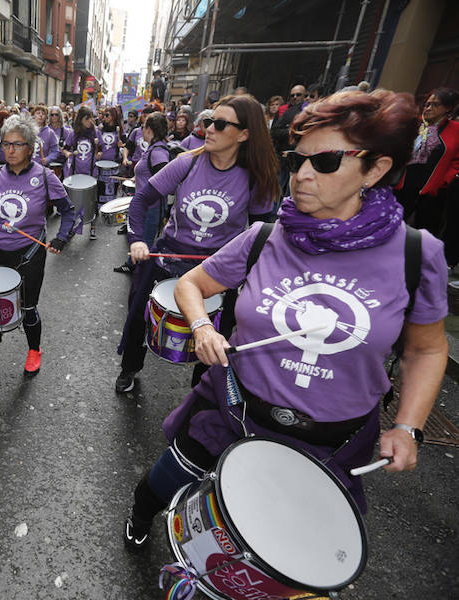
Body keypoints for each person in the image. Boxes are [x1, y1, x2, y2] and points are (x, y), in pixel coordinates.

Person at [122, 89, 448, 550]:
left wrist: (408, 426)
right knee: (161, 482)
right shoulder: (265, 238)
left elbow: (426, 348)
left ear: (375, 168)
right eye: (298, 161)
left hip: (330, 442)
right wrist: (202, 327)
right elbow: (191, 284)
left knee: (273, 547)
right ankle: (139, 520)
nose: (303, 175)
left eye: (327, 161)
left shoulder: (418, 254)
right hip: (234, 409)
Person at [115, 94, 279, 393]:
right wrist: (138, 240)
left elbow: (262, 232)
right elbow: (140, 202)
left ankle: (201, 390)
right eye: (208, 122)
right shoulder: (187, 163)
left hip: (218, 268)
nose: (209, 129)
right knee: (139, 312)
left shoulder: (256, 178)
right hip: (171, 255)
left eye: (219, 123)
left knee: (218, 331)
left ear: (244, 134)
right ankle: (129, 367)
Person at [0, 114, 76, 376]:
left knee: (27, 306)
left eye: (17, 144)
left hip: (29, 254)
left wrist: (61, 237)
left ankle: (34, 350)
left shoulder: (46, 176)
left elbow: (68, 211)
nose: (10, 150)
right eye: (6, 144)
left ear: (30, 147)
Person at [395, 88, 459, 239]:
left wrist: (446, 180)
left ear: (448, 108)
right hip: (403, 184)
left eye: (435, 105)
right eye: (427, 104)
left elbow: (457, 160)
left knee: (423, 235)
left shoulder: (456, 130)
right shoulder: (414, 124)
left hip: (433, 190)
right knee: (393, 226)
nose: (428, 108)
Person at [113, 112, 170, 274]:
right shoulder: (154, 148)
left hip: (151, 207)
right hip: (147, 205)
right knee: (141, 240)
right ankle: (132, 265)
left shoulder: (158, 151)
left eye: (144, 127)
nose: (141, 130)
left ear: (150, 130)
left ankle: (143, 277)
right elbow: (150, 173)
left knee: (145, 243)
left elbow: (164, 178)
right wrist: (136, 177)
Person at [63, 106, 104, 239]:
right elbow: (65, 149)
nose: (90, 121)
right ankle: (71, 228)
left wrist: (99, 154)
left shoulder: (96, 132)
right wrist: (68, 153)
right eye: (87, 118)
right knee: (73, 202)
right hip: (75, 171)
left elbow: (101, 149)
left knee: (92, 200)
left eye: (92, 117)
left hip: (91, 172)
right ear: (80, 120)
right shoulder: (73, 133)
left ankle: (92, 227)